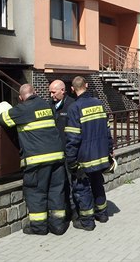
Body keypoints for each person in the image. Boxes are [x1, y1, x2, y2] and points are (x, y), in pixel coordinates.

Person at [0, 84, 68, 235]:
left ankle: (39, 228)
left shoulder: (22, 109)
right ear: (35, 92)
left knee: (36, 192)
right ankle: (58, 226)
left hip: (37, 161)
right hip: (57, 157)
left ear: (21, 98)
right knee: (56, 191)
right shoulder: (47, 105)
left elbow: (3, 119)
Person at [65, 76, 114, 231]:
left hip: (84, 158)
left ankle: (87, 222)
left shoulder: (74, 108)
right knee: (98, 184)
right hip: (100, 155)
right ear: (86, 85)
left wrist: (71, 160)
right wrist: (109, 150)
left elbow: (73, 137)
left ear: (72, 89)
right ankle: (103, 214)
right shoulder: (99, 104)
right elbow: (107, 131)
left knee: (82, 188)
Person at [48, 79, 76, 219]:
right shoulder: (50, 106)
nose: (51, 95)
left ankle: (75, 214)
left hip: (69, 152)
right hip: (55, 153)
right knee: (60, 185)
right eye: (50, 92)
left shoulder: (72, 106)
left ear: (63, 91)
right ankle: (65, 212)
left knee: (72, 184)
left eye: (53, 92)